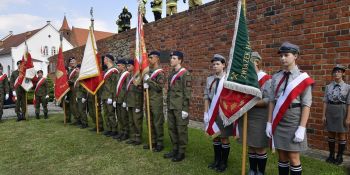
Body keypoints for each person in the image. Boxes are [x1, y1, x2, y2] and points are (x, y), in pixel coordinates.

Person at [266, 42, 314, 175]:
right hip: (279, 120)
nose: (282, 58)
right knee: (281, 156)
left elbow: (306, 104)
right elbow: (271, 101)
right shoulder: (276, 76)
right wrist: (269, 122)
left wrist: (302, 128)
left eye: (286, 55)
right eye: (281, 55)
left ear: (295, 56)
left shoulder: (302, 78)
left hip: (294, 120)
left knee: (293, 158)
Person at [238, 52, 271, 175]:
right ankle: (252, 170)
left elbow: (268, 100)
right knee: (250, 144)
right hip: (247, 115)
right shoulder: (245, 79)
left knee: (259, 146)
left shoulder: (266, 79)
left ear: (257, 62)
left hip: (259, 116)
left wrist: (250, 103)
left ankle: (260, 171)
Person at [204, 54, 233, 172]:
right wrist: (206, 112)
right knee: (215, 137)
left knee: (224, 138)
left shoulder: (229, 79)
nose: (215, 66)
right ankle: (216, 160)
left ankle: (223, 162)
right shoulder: (209, 79)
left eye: (217, 64)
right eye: (213, 64)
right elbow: (206, 96)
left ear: (224, 65)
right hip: (212, 112)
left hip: (224, 113)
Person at [163, 51, 191, 162]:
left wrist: (185, 109)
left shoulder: (185, 74)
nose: (171, 60)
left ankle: (181, 151)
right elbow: (169, 91)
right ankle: (175, 148)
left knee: (181, 129)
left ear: (180, 60)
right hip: (171, 106)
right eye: (171, 58)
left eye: (174, 58)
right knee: (172, 128)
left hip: (180, 107)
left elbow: (187, 93)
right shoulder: (171, 74)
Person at [322, 64, 350, 165]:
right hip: (330, 110)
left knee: (342, 134)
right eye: (335, 71)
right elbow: (325, 101)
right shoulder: (328, 86)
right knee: (331, 133)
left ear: (343, 73)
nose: (337, 73)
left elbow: (349, 103)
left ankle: (340, 156)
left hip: (342, 110)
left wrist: (348, 117)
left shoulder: (347, 87)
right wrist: (323, 115)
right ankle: (331, 155)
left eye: (339, 71)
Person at [143, 51, 165, 152]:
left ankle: (160, 143)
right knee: (149, 121)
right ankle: (152, 141)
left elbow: (159, 87)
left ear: (157, 58)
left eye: (151, 57)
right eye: (149, 57)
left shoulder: (160, 72)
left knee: (157, 122)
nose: (149, 59)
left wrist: (148, 81)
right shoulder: (148, 71)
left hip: (156, 101)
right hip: (148, 99)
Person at [125, 59, 144, 145]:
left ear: (134, 66)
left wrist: (138, 106)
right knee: (131, 121)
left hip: (136, 103)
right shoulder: (128, 76)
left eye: (129, 66)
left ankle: (138, 138)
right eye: (127, 66)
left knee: (137, 122)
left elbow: (139, 93)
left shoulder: (138, 77)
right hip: (129, 102)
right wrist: (126, 101)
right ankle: (132, 137)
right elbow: (127, 90)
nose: (127, 67)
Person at [101, 54, 119, 137]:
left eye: (104, 59)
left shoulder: (114, 70)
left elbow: (114, 85)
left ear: (108, 60)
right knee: (106, 113)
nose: (103, 61)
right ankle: (108, 129)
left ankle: (114, 130)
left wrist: (111, 97)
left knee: (111, 114)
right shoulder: (105, 71)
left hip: (110, 96)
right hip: (104, 95)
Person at [113, 59, 130, 141]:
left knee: (124, 117)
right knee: (119, 117)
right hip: (118, 99)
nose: (117, 66)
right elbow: (115, 88)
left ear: (123, 65)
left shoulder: (126, 74)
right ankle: (121, 132)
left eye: (119, 65)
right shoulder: (118, 74)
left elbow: (127, 89)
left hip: (123, 99)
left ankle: (126, 133)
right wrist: (114, 99)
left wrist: (125, 101)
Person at [74, 64, 89, 129]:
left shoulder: (82, 76)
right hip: (78, 95)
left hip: (82, 95)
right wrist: (77, 96)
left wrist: (84, 96)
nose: (76, 70)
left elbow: (84, 87)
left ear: (80, 69)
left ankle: (85, 123)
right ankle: (82, 122)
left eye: (77, 69)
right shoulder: (77, 76)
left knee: (82, 110)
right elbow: (77, 87)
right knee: (80, 110)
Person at [65, 57, 78, 123]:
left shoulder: (77, 69)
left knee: (75, 105)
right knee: (71, 105)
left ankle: (78, 119)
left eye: (73, 61)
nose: (72, 62)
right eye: (70, 62)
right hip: (70, 90)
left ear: (76, 61)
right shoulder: (70, 70)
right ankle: (75, 118)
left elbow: (77, 79)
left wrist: (69, 81)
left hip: (75, 89)